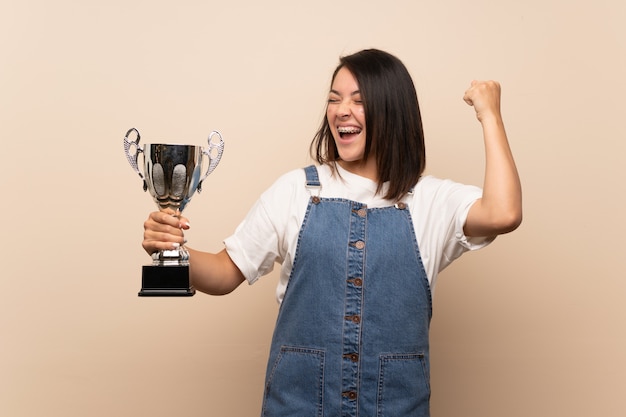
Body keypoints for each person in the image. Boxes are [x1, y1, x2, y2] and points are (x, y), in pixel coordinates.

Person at [142, 49, 522, 417]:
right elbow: (226, 273)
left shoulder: (430, 200)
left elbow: (504, 212)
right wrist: (173, 254)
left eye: (359, 100)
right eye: (334, 99)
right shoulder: (295, 190)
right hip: (295, 406)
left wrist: (489, 114)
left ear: (392, 110)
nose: (342, 110)